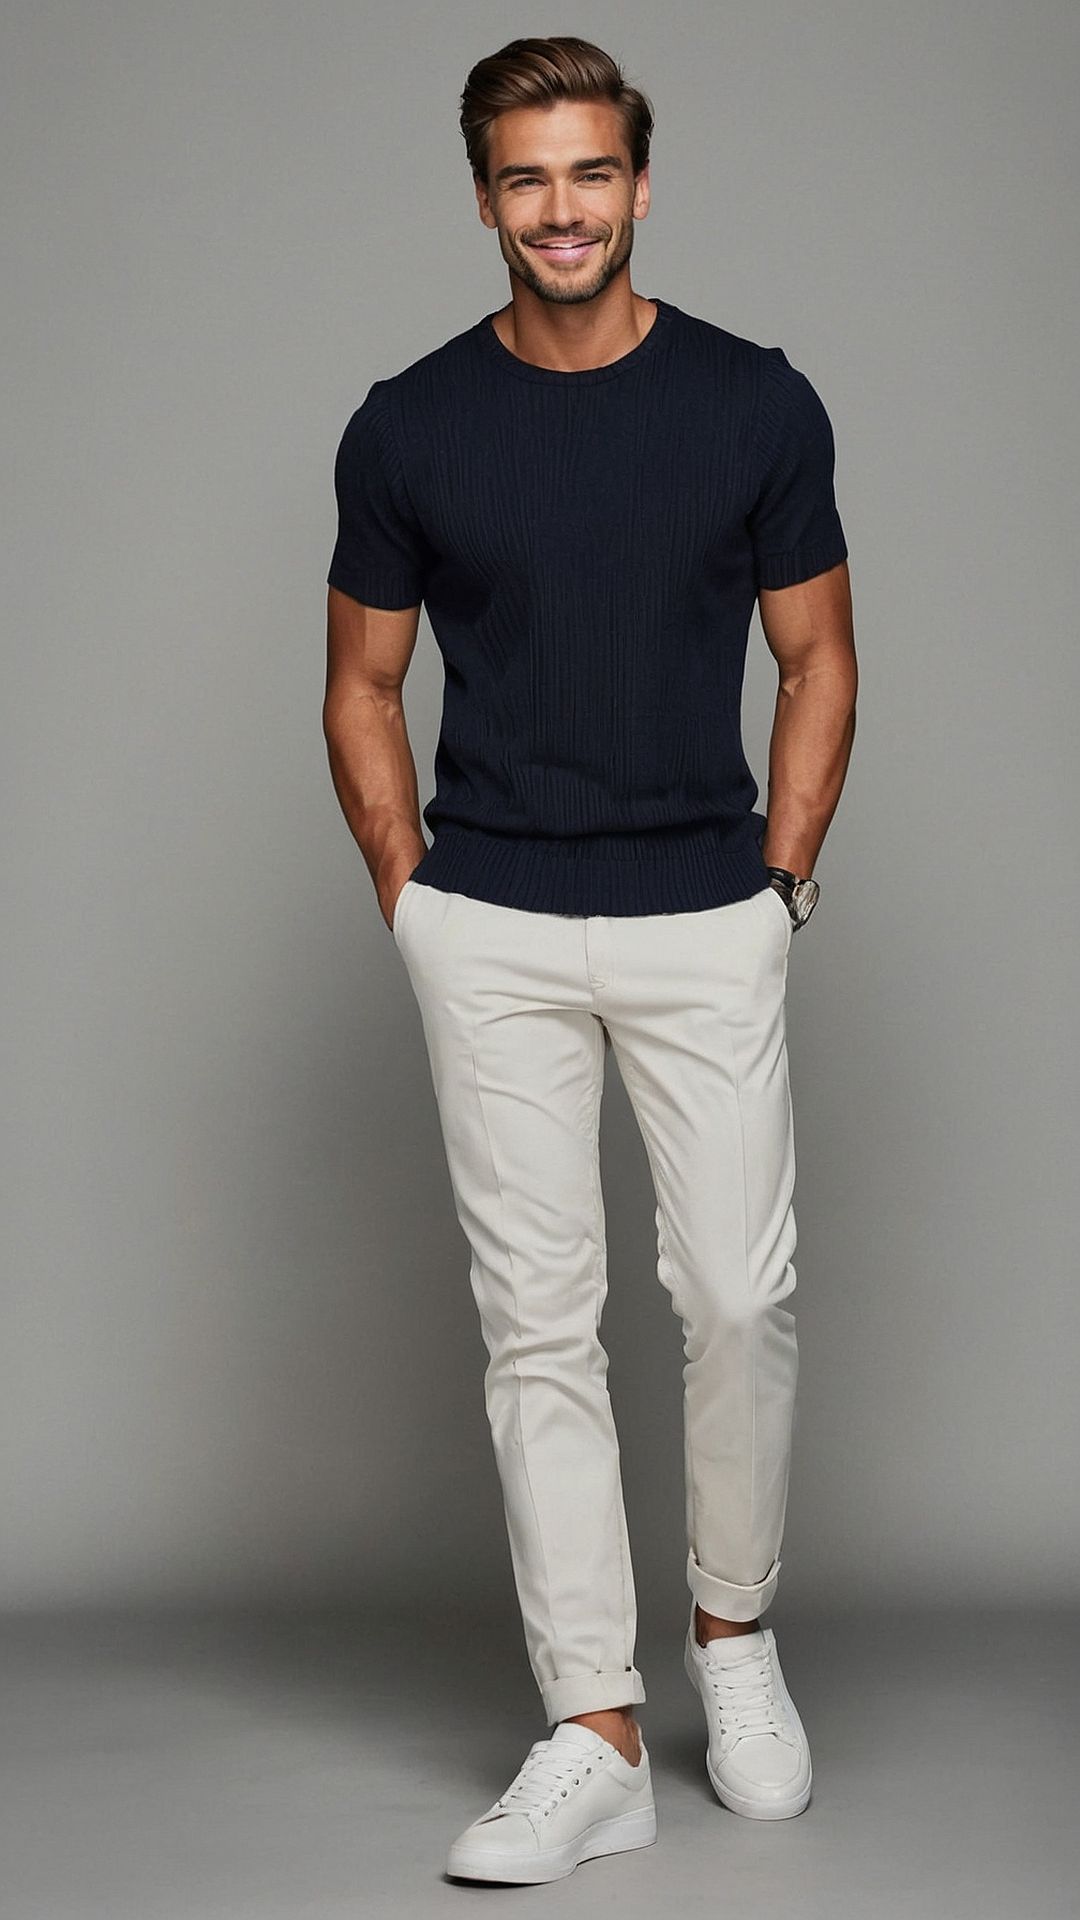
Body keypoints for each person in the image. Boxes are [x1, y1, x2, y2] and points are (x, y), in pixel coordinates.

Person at [323, 33, 857, 1887]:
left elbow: (817, 657)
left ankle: (735, 1637)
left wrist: (780, 888)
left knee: (737, 1297)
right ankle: (596, 1728)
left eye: (592, 172)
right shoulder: (408, 426)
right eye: (527, 178)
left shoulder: (755, 403)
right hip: (492, 924)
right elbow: (364, 684)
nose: (563, 209)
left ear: (640, 183)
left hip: (707, 912)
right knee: (537, 1325)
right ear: (485, 198)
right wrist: (411, 897)